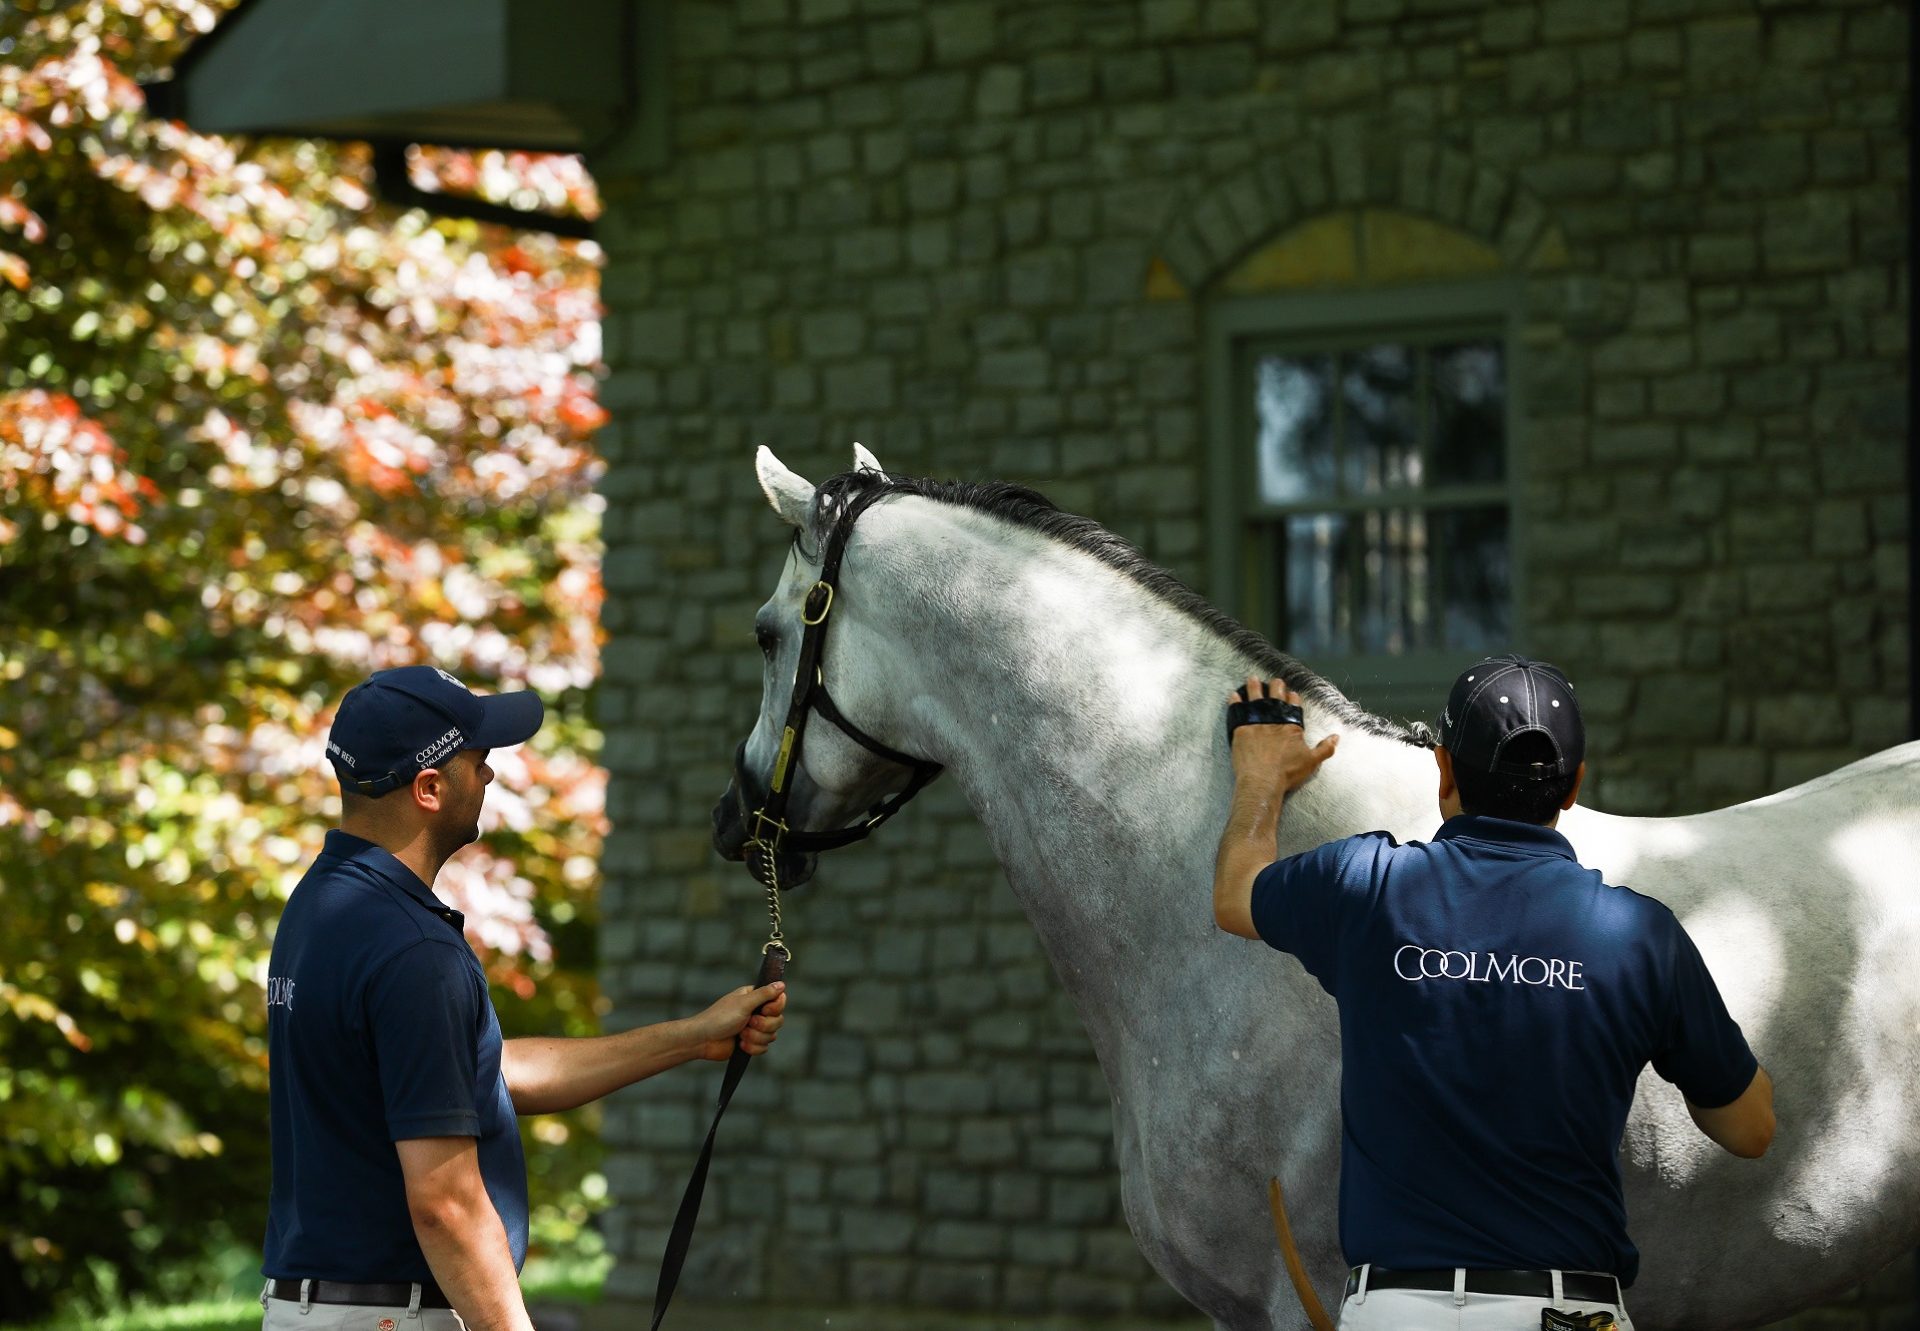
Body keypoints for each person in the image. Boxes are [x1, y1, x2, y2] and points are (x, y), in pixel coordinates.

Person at [1212, 655, 1773, 1331]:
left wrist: (1260, 778)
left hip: (1397, 1312)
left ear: (1444, 767)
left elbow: (1237, 894)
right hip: (1568, 1311)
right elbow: (1750, 1128)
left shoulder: (1364, 885)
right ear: (1573, 788)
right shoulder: (1639, 935)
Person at [261, 665, 787, 1331]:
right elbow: (445, 1201)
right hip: (393, 1316)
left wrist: (694, 1036)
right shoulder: (412, 948)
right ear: (429, 787)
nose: (488, 774)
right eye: (476, 760)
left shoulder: (321, 907)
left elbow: (474, 1074)